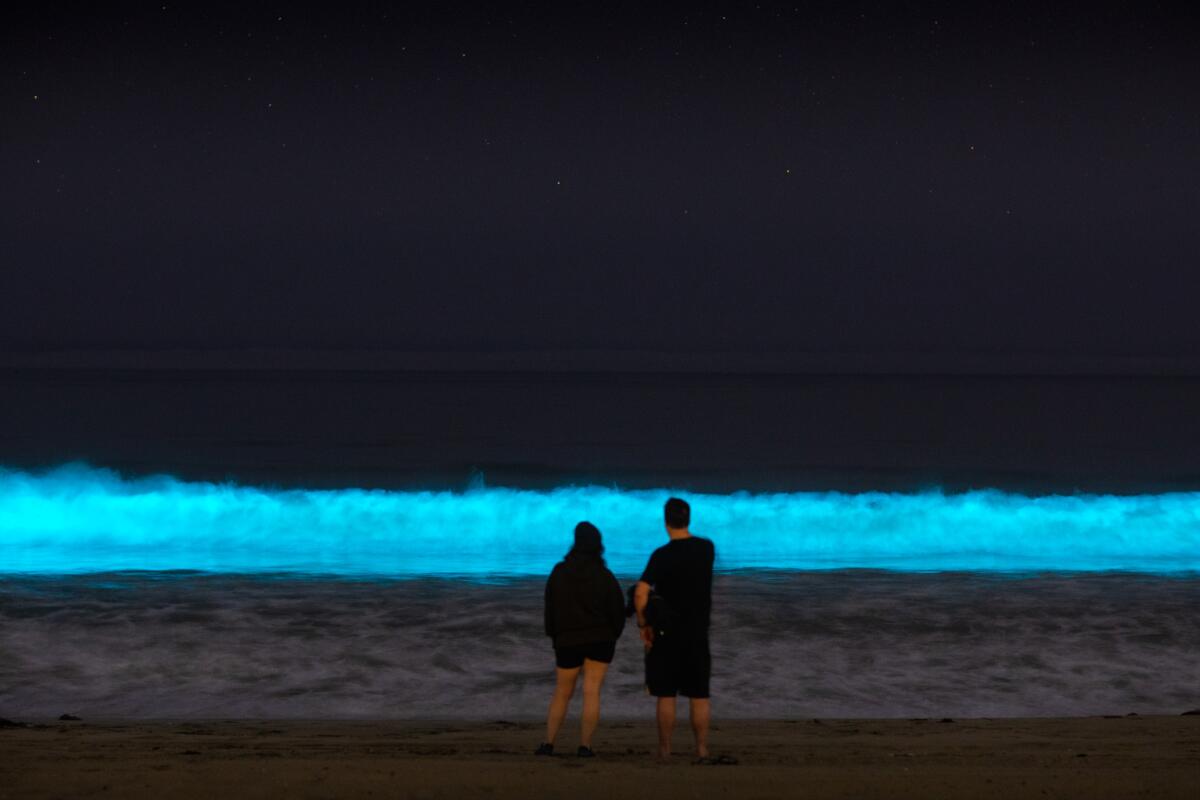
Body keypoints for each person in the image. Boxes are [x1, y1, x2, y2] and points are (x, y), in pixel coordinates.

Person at [634, 497, 715, 760]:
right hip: (697, 632)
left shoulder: (661, 555)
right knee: (699, 695)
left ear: (665, 522)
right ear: (688, 519)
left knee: (666, 694)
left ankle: (665, 749)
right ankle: (701, 748)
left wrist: (643, 624)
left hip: (666, 633)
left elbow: (640, 593)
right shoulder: (706, 549)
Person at [537, 521, 626, 757]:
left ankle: (548, 743)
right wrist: (613, 635)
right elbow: (617, 611)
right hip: (601, 639)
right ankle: (585, 745)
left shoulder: (559, 572)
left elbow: (550, 608)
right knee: (591, 691)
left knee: (562, 692)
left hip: (567, 640)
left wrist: (555, 637)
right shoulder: (605, 576)